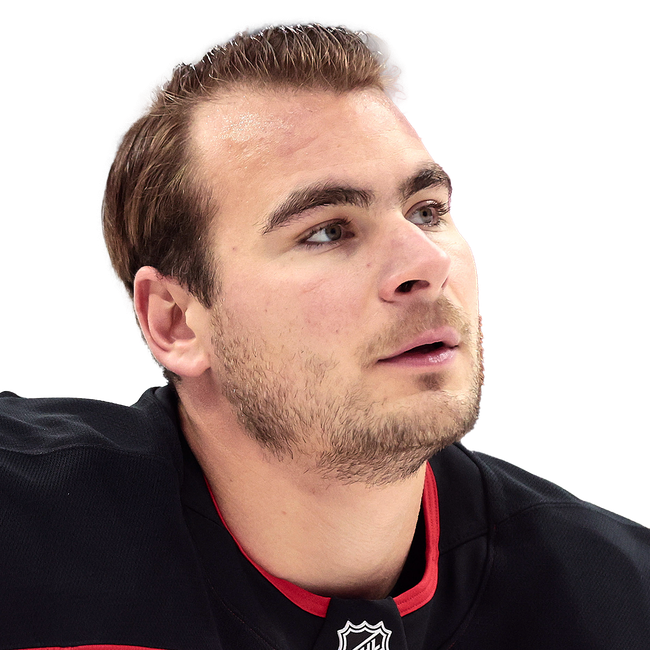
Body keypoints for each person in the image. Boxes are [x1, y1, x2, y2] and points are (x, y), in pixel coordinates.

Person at [1, 18, 647, 650]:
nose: (427, 263)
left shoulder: (619, 597)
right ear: (173, 320)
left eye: (427, 211)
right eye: (327, 231)